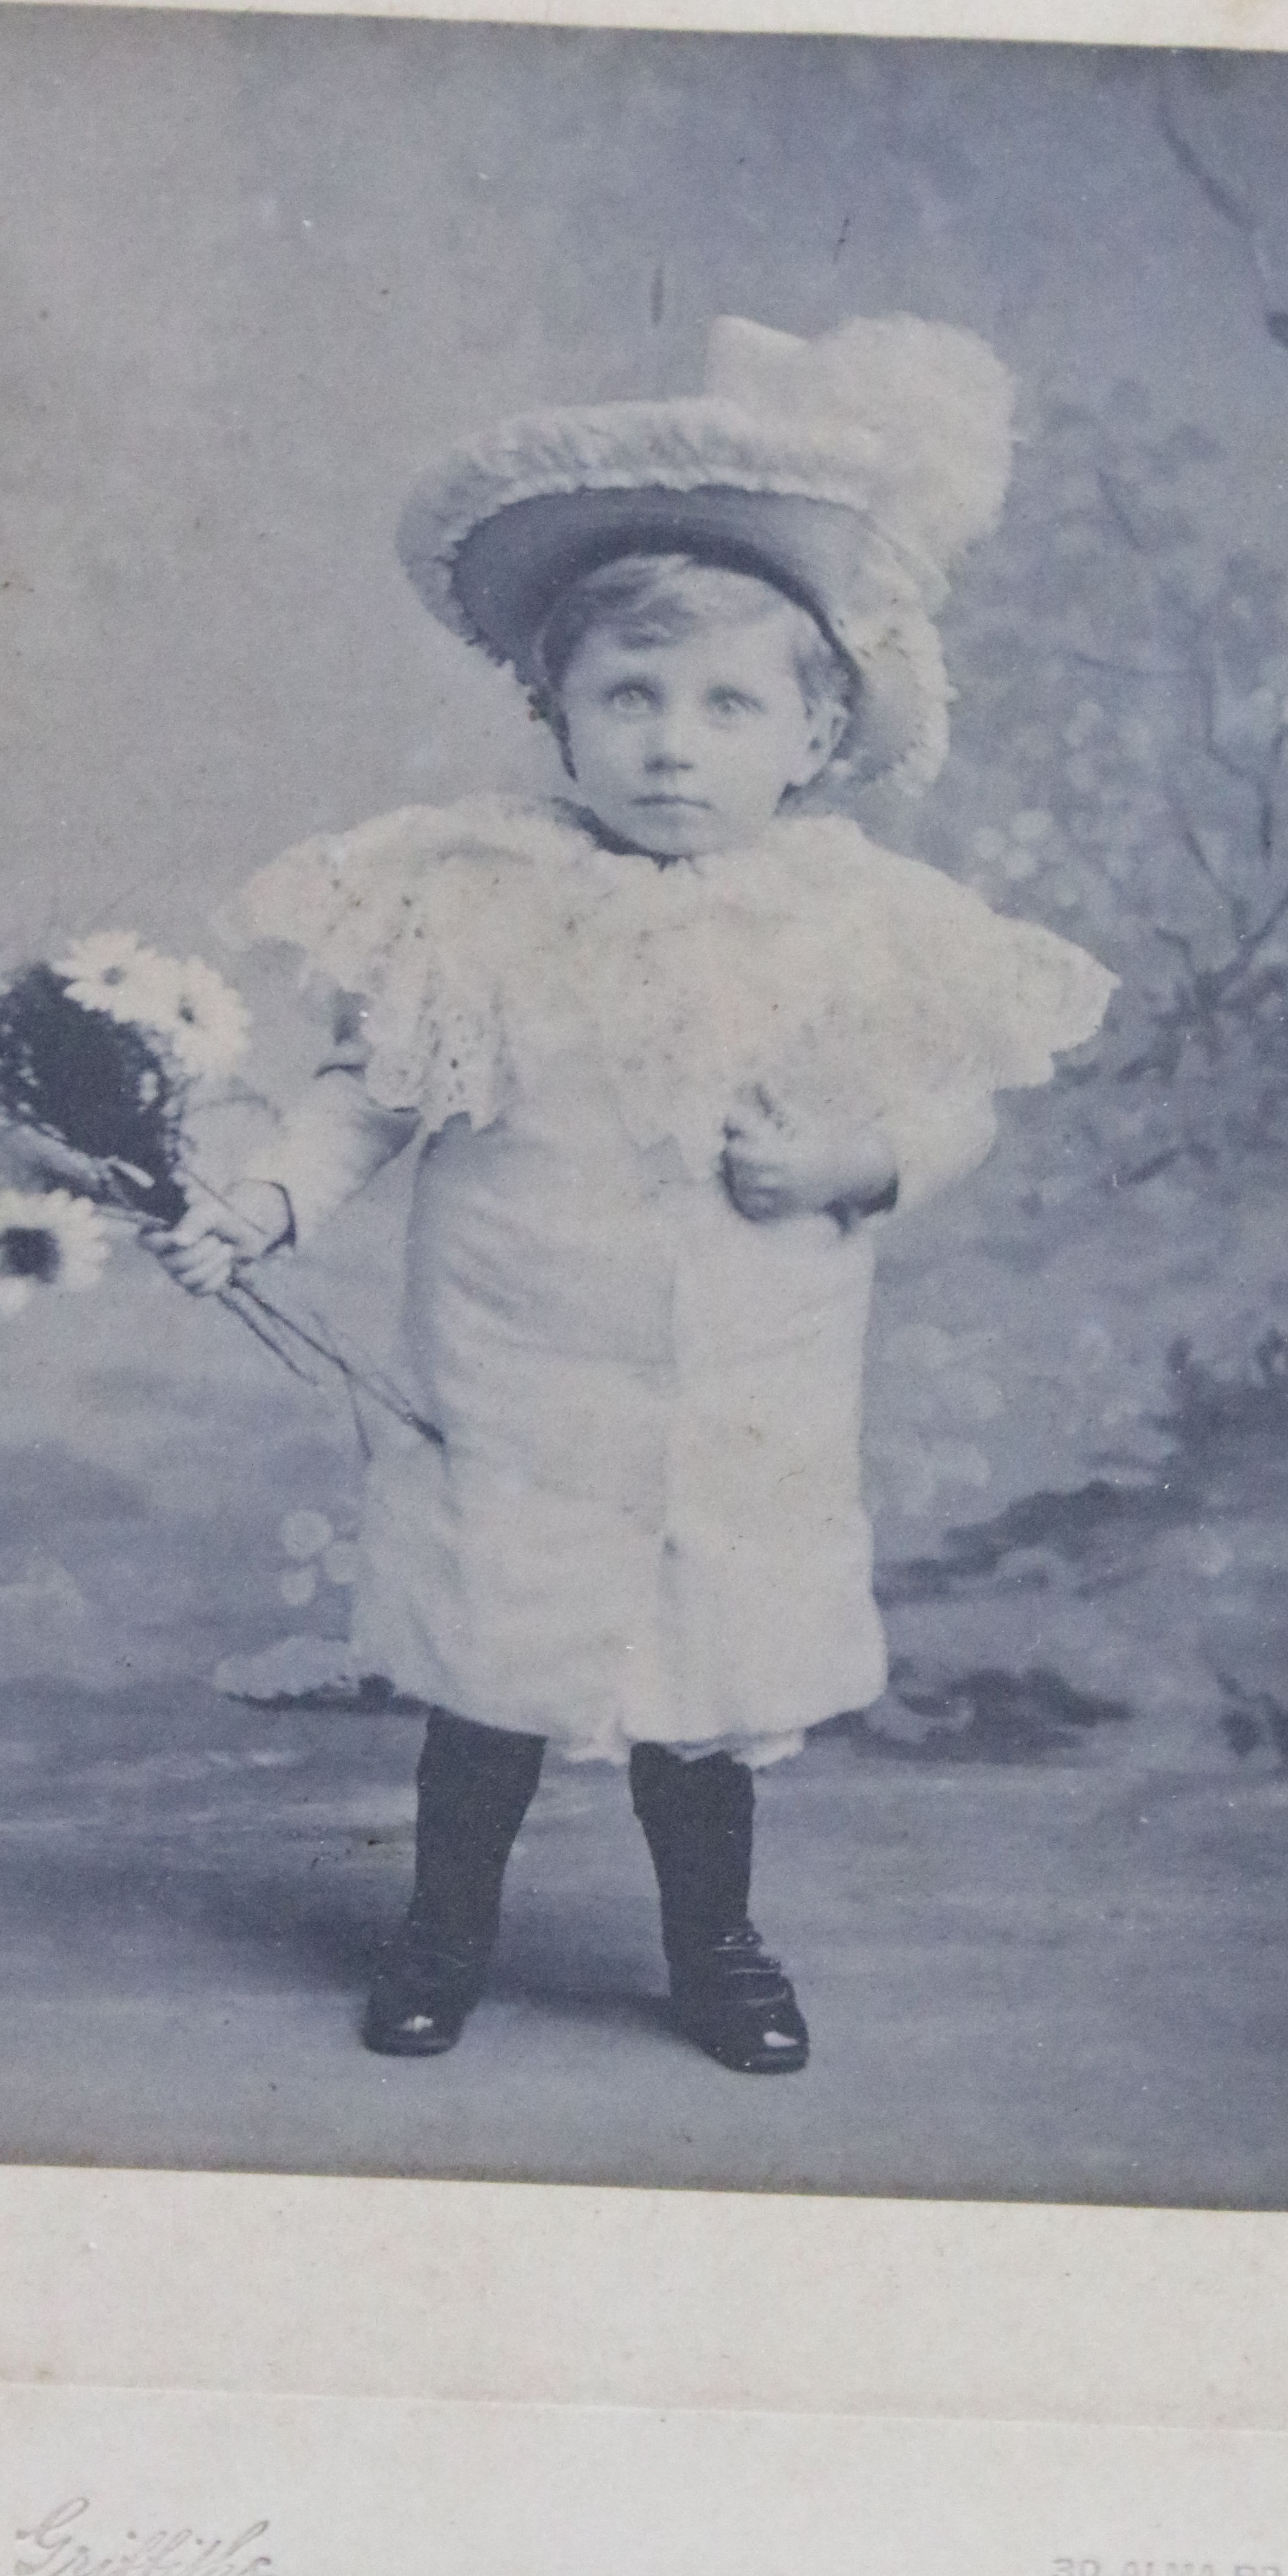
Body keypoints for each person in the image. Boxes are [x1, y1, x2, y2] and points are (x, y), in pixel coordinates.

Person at [156, 315, 1116, 2074]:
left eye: (727, 705)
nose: (674, 746)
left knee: (706, 1702)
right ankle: (443, 1928)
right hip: (516, 1379)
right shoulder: (481, 900)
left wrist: (856, 1165)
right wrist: (266, 1203)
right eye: (630, 698)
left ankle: (717, 1948)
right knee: (490, 1685)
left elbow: (950, 1106)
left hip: (739, 1392)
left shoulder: (849, 920)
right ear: (558, 714)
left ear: (813, 733)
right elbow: (370, 1097)